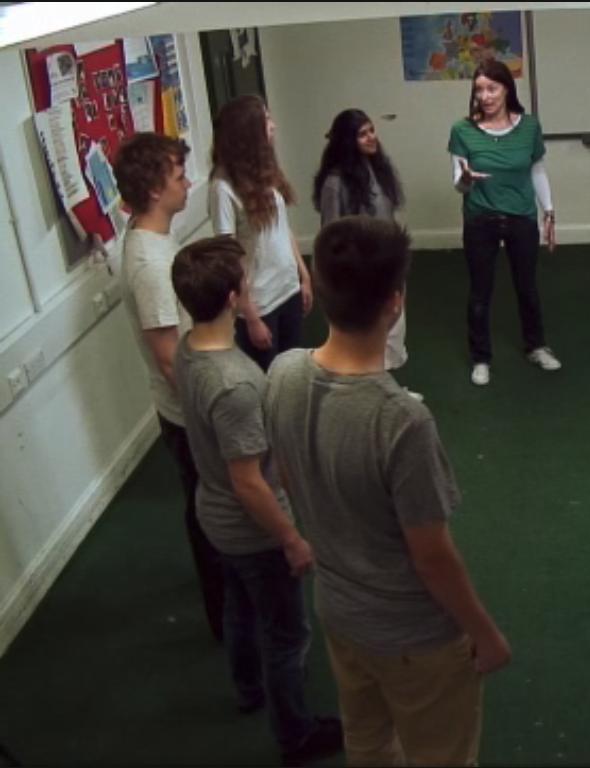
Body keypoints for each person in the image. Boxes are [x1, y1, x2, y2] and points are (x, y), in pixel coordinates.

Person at [264, 217, 511, 766]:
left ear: (322, 290)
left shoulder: (281, 374)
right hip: (414, 637)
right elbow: (431, 557)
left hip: (339, 614)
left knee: (369, 746)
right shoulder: (402, 421)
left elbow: (285, 475)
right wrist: (485, 633)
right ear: (394, 302)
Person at [170, 236, 343, 767]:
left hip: (214, 516)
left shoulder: (187, 349)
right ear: (231, 299)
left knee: (240, 610)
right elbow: (250, 481)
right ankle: (294, 733)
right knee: (286, 633)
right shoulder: (237, 384)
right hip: (252, 531)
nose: (249, 288)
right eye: (244, 282)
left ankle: (248, 688)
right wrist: (291, 539)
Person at [112, 132, 225, 643]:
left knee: (207, 506)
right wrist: (212, 418)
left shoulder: (153, 240)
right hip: (189, 417)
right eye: (180, 177)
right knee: (209, 510)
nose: (188, 184)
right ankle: (225, 611)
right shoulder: (151, 264)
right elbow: (166, 358)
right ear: (156, 190)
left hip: (189, 410)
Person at [449, 60, 561, 387]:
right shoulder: (462, 130)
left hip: (521, 218)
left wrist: (549, 211)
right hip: (480, 220)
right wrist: (466, 179)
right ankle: (481, 359)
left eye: (492, 88)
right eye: (479, 90)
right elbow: (458, 181)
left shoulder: (528, 127)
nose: (485, 96)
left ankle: (536, 346)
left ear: (506, 89)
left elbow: (536, 170)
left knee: (527, 288)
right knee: (480, 293)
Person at [210, 94, 312, 372]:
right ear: (248, 130)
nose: (273, 125)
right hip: (261, 302)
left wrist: (303, 274)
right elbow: (228, 259)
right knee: (269, 380)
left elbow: (282, 227)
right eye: (266, 119)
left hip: (287, 288)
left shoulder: (264, 170)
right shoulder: (222, 187)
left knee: (293, 373)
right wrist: (251, 315)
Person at [314, 108, 412, 380]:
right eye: (362, 134)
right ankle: (369, 394)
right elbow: (330, 236)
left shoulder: (378, 170)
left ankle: (389, 390)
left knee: (392, 334)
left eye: (372, 131)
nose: (371, 138)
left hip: (387, 266)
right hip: (359, 275)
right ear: (347, 141)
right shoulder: (335, 183)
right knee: (365, 340)